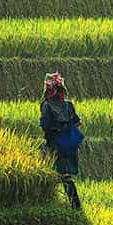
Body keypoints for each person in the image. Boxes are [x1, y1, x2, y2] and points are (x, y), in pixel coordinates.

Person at [39, 72, 84, 208]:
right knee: (66, 175)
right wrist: (67, 129)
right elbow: (78, 122)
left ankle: (52, 202)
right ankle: (75, 205)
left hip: (55, 144)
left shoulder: (46, 105)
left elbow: (45, 126)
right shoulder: (68, 105)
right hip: (69, 143)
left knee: (54, 173)